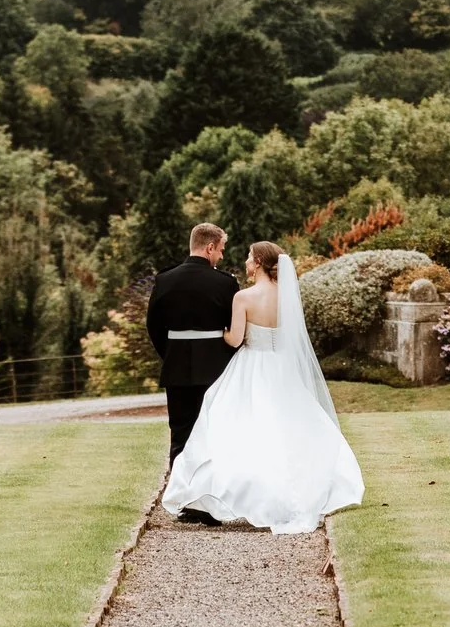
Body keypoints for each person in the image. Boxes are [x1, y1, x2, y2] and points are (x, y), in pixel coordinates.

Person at [161, 240, 365, 534]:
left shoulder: (244, 297)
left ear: (257, 261)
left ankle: (240, 492)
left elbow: (235, 339)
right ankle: (307, 486)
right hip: (281, 368)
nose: (245, 262)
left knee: (237, 425)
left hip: (252, 366)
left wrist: (221, 331)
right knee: (287, 427)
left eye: (248, 257)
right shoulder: (287, 297)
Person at [146, 222, 242, 523]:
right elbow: (234, 326)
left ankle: (185, 501)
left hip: (176, 368)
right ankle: (211, 502)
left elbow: (153, 327)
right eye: (220, 250)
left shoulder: (164, 280)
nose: (221, 257)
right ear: (209, 247)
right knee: (214, 433)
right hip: (215, 368)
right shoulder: (226, 284)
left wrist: (172, 353)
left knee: (181, 433)